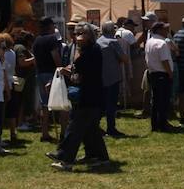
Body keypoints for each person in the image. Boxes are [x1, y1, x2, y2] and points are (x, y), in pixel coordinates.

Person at [51, 24, 110, 170]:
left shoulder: (92, 50)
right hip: (86, 95)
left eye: (81, 33)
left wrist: (77, 49)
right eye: (77, 33)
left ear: (90, 35)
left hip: (89, 96)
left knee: (75, 128)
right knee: (91, 130)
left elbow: (79, 66)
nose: (78, 36)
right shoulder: (85, 49)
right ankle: (99, 157)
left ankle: (65, 158)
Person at [95, 21, 128, 137]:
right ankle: (111, 128)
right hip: (112, 77)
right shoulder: (113, 42)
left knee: (101, 104)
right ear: (111, 30)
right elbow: (124, 58)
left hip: (99, 78)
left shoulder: (97, 42)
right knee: (111, 105)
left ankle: (95, 126)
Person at [145, 21, 176, 132]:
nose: (166, 31)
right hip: (163, 74)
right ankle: (163, 124)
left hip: (153, 73)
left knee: (155, 101)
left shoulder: (149, 42)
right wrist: (170, 73)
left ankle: (155, 124)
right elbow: (164, 61)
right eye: (164, 29)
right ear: (159, 30)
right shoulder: (161, 43)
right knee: (163, 101)